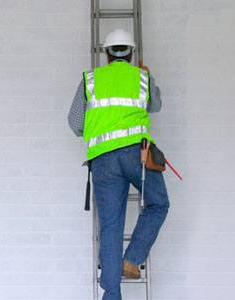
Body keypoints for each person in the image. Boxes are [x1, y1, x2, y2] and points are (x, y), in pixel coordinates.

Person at [67, 29, 169, 300]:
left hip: (103, 160)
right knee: (158, 204)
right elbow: (155, 105)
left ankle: (111, 296)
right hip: (138, 155)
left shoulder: (91, 80)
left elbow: (75, 122)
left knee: (111, 227)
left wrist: (96, 130)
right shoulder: (142, 78)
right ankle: (132, 258)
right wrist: (149, 78)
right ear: (132, 52)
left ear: (106, 53)